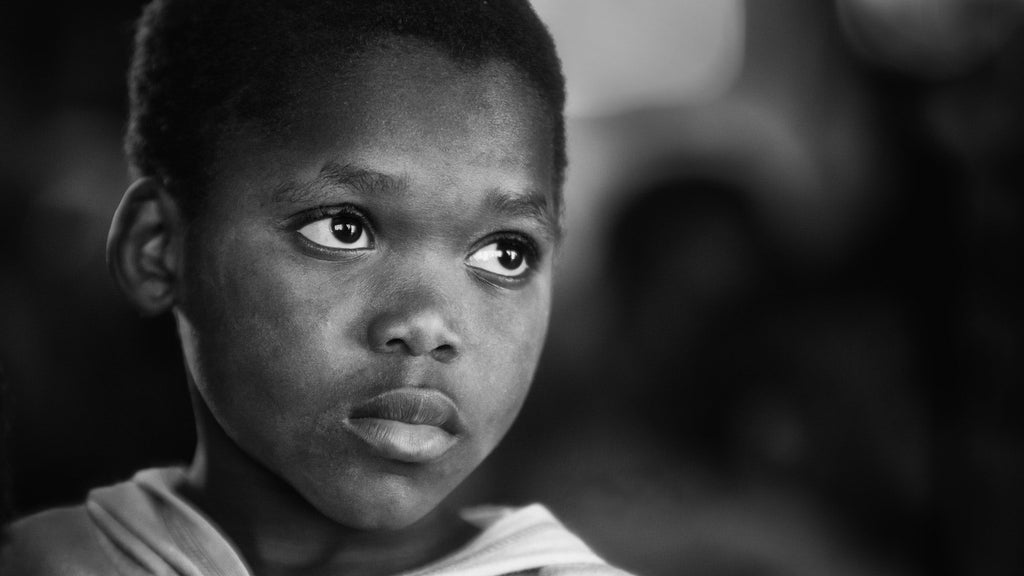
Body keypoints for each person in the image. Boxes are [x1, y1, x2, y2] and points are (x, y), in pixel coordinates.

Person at [0, 1, 630, 574]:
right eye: (344, 229)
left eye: (505, 252)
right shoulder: (45, 561)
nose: (428, 325)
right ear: (158, 250)